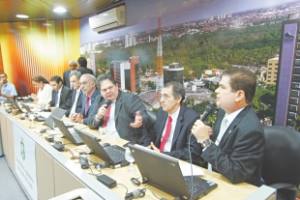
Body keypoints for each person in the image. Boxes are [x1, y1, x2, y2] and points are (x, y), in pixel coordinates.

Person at [191, 68, 264, 186]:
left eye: (222, 87)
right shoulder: (222, 112)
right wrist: (207, 135)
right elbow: (221, 149)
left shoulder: (250, 130)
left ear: (239, 95)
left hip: (235, 189)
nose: (216, 90)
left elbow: (236, 173)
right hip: (212, 178)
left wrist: (205, 142)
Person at [143, 81, 200, 161]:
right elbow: (151, 134)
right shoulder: (161, 113)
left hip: (174, 163)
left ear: (178, 99)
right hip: (156, 159)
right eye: (161, 96)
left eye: (166, 96)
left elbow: (193, 152)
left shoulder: (191, 119)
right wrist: (147, 147)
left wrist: (163, 155)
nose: (161, 100)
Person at [89, 75, 151, 143]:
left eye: (110, 87)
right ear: (100, 92)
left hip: (123, 143)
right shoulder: (100, 99)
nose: (108, 91)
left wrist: (140, 119)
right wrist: (98, 116)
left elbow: (143, 115)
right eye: (104, 90)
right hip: (103, 139)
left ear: (116, 86)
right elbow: (90, 122)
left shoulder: (130, 99)